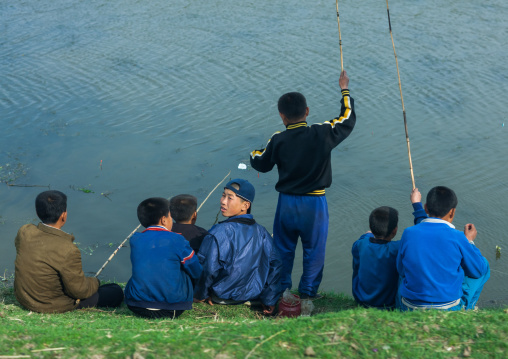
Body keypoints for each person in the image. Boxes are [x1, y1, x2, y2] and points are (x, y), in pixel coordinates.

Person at [249, 71, 356, 299]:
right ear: (307, 111)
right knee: (314, 251)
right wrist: (344, 88)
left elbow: (260, 161)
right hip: (314, 203)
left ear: (282, 116)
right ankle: (307, 293)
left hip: (286, 204)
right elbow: (347, 118)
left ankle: (282, 291)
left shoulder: (277, 139)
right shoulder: (322, 133)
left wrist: (252, 153)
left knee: (283, 249)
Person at [14, 190, 123, 313]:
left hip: (24, 298)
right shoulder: (68, 249)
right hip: (49, 305)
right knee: (115, 291)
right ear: (63, 215)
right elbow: (79, 291)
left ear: (38, 212)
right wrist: (95, 282)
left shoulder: (25, 232)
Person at [194, 179, 282, 315]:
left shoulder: (218, 232)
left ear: (245, 205)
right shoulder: (262, 232)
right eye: (223, 195)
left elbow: (208, 269)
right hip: (253, 296)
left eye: (230, 198)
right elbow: (275, 265)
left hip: (221, 297)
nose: (223, 201)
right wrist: (269, 299)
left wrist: (200, 295)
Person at [397, 186, 490, 311]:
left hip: (410, 305)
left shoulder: (408, 233)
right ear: (452, 212)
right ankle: (469, 308)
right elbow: (478, 270)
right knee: (484, 264)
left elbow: (400, 269)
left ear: (426, 208)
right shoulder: (458, 237)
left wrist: (416, 205)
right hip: (448, 306)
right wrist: (469, 242)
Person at [124, 197, 202, 319]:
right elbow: (196, 270)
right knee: (187, 267)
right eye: (170, 216)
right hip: (172, 309)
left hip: (137, 306)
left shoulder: (135, 239)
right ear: (164, 220)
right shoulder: (178, 239)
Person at [351, 189, 427, 309]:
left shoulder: (360, 244)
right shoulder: (397, 248)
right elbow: (424, 233)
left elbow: (365, 237)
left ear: (371, 226)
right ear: (395, 231)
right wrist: (416, 204)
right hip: (389, 305)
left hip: (362, 301)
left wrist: (368, 235)